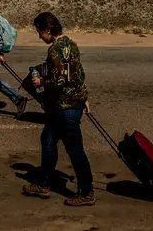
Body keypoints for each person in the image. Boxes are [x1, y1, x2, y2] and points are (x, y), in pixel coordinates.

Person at [21, 11, 95, 207]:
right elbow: (77, 74)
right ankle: (44, 183)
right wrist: (84, 96)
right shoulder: (71, 44)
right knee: (48, 139)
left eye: (39, 31)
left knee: (75, 150)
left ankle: (86, 192)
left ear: (47, 29)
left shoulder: (54, 50)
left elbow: (61, 79)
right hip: (73, 104)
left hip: (65, 107)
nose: (39, 36)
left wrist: (40, 80)